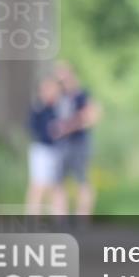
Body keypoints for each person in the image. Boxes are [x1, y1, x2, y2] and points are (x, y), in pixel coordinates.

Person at [52, 62, 102, 216]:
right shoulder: (59, 96)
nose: (62, 81)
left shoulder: (81, 95)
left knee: (82, 180)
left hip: (79, 143)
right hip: (62, 144)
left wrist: (67, 127)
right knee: (58, 182)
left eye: (64, 77)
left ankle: (83, 217)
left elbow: (91, 116)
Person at [26, 75, 65, 216]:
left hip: (57, 150)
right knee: (38, 185)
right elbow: (32, 129)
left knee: (57, 186)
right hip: (41, 149)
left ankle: (60, 217)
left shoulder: (59, 107)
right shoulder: (38, 108)